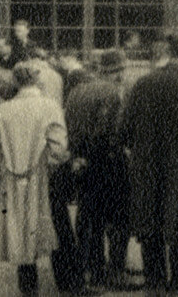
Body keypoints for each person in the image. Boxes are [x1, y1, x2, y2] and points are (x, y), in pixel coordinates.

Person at [120, 25, 178, 296]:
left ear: (168, 49)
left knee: (151, 223)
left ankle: (155, 282)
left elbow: (124, 130)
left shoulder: (143, 82)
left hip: (148, 167)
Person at [0, 63, 70, 296]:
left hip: (12, 180)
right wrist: (50, 166)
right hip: (44, 178)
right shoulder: (50, 107)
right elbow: (59, 146)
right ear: (37, 81)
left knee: (20, 230)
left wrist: (4, 169)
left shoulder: (2, 110)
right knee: (55, 226)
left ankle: (28, 287)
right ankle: (66, 283)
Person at [66, 49, 140, 292]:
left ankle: (90, 266)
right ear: (118, 71)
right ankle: (114, 271)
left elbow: (70, 125)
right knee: (119, 218)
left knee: (89, 217)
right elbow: (111, 131)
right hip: (108, 163)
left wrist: (79, 155)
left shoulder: (76, 91)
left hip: (81, 163)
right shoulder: (114, 93)